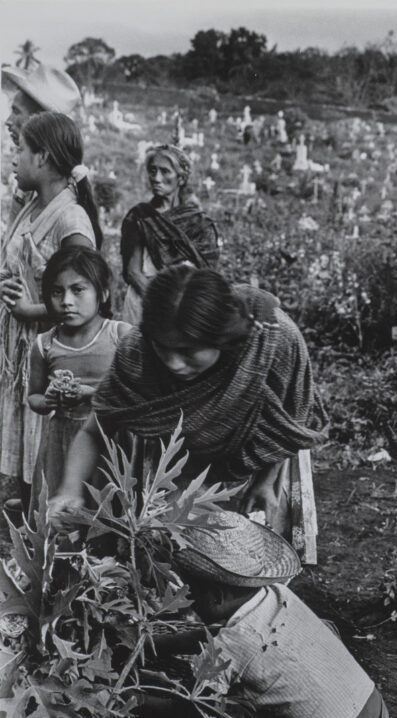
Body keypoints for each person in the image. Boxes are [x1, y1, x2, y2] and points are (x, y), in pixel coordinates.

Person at [49, 266, 327, 561]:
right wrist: (69, 489)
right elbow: (94, 431)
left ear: (222, 338)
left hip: (261, 459)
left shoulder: (273, 342)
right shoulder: (137, 352)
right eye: (163, 348)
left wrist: (266, 482)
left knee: (257, 556)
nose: (174, 363)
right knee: (173, 549)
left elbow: (287, 422)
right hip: (181, 464)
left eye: (188, 351)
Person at [153, 507, 390, 718]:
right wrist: (159, 644)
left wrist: (140, 697)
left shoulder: (230, 647)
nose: (187, 601)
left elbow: (192, 704)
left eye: (191, 594)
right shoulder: (277, 594)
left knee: (238, 707)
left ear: (217, 596)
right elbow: (223, 632)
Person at [0, 111, 100, 512]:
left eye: (20, 149)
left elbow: (89, 298)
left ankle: (38, 519)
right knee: (24, 432)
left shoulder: (70, 219)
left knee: (44, 440)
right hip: (17, 346)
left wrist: (30, 308)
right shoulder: (30, 206)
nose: (13, 156)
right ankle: (25, 507)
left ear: (42, 158)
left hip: (45, 347)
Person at [27, 248, 130, 517]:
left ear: (103, 293)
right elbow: (33, 397)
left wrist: (93, 393)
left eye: (78, 289)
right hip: (61, 438)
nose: (67, 301)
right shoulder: (44, 344)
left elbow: (135, 394)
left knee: (105, 510)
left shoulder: (120, 336)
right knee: (61, 512)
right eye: (57, 292)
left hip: (108, 438)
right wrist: (47, 400)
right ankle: (60, 557)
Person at [120, 144, 219, 326]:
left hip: (186, 308)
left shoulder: (199, 223)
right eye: (153, 171)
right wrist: (164, 304)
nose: (156, 178)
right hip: (144, 303)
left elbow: (206, 273)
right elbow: (133, 272)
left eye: (165, 171)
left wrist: (185, 306)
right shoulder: (141, 217)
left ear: (181, 178)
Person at [2, 62, 82, 223]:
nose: (8, 121)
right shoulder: (29, 175)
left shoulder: (59, 194)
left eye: (16, 111)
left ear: (39, 120)